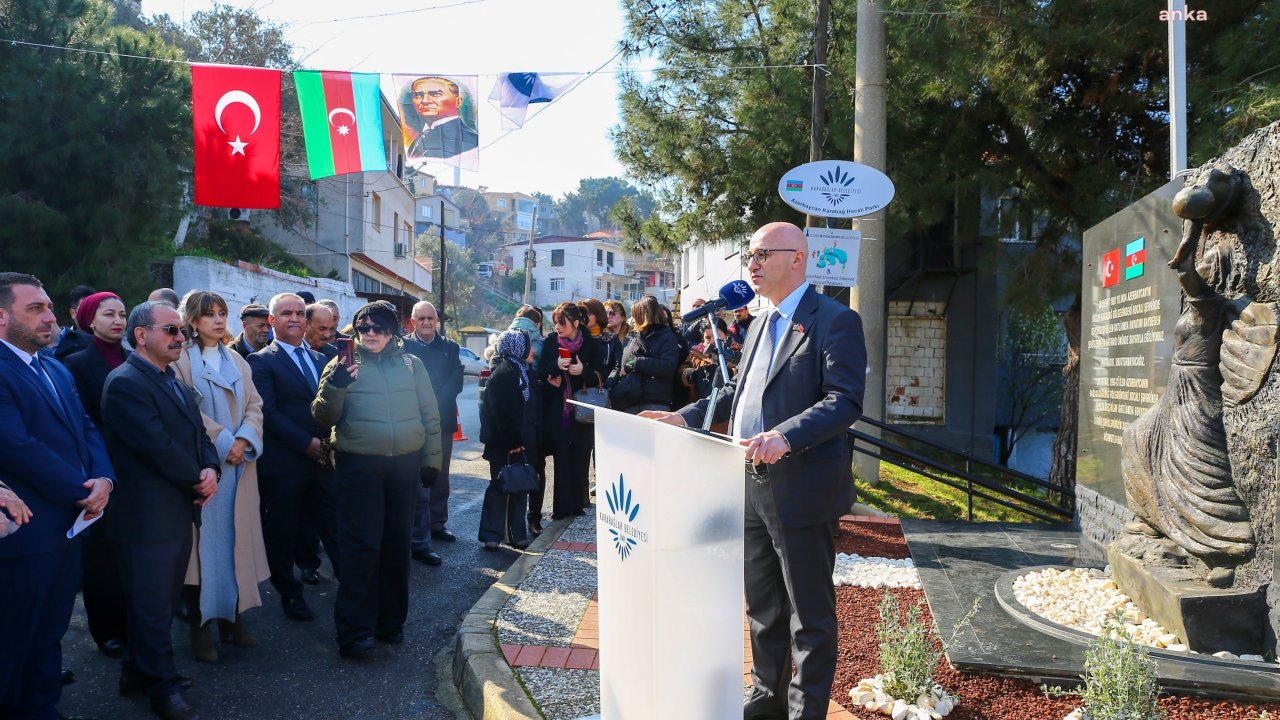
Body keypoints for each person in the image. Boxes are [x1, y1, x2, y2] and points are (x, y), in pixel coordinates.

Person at [641, 222, 866, 720]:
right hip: (747, 484)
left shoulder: (834, 321)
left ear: (798, 259)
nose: (752, 263)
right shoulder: (761, 321)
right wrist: (681, 416)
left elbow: (845, 400)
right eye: (750, 254)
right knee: (764, 610)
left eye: (763, 253)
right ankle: (766, 702)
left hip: (801, 487)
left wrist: (786, 436)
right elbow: (738, 395)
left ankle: (806, 712)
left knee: (808, 617)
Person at [0, 273, 114, 720]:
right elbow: (16, 446)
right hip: (25, 535)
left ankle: (42, 707)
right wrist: (80, 490)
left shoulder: (54, 366)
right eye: (35, 309)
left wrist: (104, 479)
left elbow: (86, 427)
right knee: (14, 638)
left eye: (49, 307)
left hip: (69, 528)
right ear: (2, 317)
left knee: (50, 633)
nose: (49, 317)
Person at [102, 300, 220, 720]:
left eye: (181, 331)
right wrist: (198, 477)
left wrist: (211, 467)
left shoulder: (172, 378)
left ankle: (136, 671)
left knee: (161, 601)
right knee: (152, 605)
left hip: (175, 508)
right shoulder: (126, 382)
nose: (180, 337)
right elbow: (155, 446)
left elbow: (198, 431)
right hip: (145, 517)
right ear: (140, 335)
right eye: (171, 330)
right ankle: (163, 689)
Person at [312, 301, 443, 659]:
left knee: (397, 546)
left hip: (403, 467)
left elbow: (431, 416)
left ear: (393, 330)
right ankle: (354, 632)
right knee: (361, 547)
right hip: (359, 468)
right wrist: (337, 384)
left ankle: (390, 623)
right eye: (363, 327)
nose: (370, 333)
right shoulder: (342, 363)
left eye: (379, 327)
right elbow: (323, 417)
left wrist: (432, 461)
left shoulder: (411, 364)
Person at [174, 290, 270, 663]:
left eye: (221, 313)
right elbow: (185, 410)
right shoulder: (181, 360)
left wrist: (245, 439)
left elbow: (255, 405)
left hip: (240, 469)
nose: (217, 320)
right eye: (208, 314)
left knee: (236, 547)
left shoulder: (236, 360)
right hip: (206, 470)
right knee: (201, 553)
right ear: (192, 320)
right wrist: (225, 441)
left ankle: (234, 619)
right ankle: (199, 627)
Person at [246, 293, 340, 623]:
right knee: (283, 534)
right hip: (285, 465)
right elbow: (268, 413)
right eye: (287, 313)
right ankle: (290, 593)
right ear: (272, 321)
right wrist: (306, 444)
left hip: (322, 462)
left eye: (300, 313)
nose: (295, 318)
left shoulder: (319, 359)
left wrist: (326, 445)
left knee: (332, 526)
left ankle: (353, 587)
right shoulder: (261, 361)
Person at [62, 291, 131, 659]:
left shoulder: (135, 357)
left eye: (122, 314)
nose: (118, 321)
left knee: (133, 555)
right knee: (102, 558)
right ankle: (107, 630)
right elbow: (85, 423)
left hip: (139, 472)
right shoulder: (75, 364)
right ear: (90, 320)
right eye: (108, 314)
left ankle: (136, 622)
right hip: (102, 471)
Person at [405, 301, 464, 566]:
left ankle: (437, 522)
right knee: (412, 475)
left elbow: (456, 380)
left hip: (441, 418)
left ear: (437, 321)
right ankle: (413, 528)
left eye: (431, 318)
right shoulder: (402, 347)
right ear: (412, 321)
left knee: (438, 473)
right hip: (410, 418)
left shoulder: (450, 348)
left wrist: (434, 404)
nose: (427, 322)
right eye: (422, 318)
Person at [536, 303, 603, 521]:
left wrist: (584, 371)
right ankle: (561, 508)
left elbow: (600, 376)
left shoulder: (591, 344)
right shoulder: (551, 342)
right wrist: (555, 366)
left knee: (580, 459)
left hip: (583, 411)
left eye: (561, 322)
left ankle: (577, 504)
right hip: (558, 411)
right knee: (562, 458)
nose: (557, 326)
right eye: (555, 322)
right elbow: (541, 373)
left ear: (576, 323)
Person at [478, 330, 536, 550]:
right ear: (518, 347)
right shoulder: (503, 373)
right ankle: (491, 535)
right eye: (528, 345)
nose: (531, 350)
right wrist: (513, 442)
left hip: (522, 442)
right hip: (504, 444)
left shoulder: (524, 372)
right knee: (499, 487)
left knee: (520, 487)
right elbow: (499, 413)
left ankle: (517, 534)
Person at [296, 303, 340, 585]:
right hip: (297, 446)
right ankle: (307, 562)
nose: (327, 335)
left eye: (331, 329)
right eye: (321, 328)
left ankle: (341, 565)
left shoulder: (336, 356)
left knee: (331, 511)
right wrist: (304, 441)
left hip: (328, 445)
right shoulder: (285, 357)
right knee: (302, 514)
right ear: (306, 325)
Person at [611, 295, 680, 414]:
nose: (633, 319)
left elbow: (668, 366)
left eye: (635, 315)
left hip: (655, 401)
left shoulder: (667, 336)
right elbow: (621, 364)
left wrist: (637, 363)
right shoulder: (632, 337)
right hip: (629, 399)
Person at [403, 76, 478, 159]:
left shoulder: (471, 141)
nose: (425, 101)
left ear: (458, 101)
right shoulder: (420, 138)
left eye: (435, 94)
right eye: (418, 95)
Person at [51, 284, 96, 360]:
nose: (91, 314)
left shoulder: (110, 341)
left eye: (95, 309)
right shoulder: (59, 341)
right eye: (85, 309)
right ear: (73, 313)